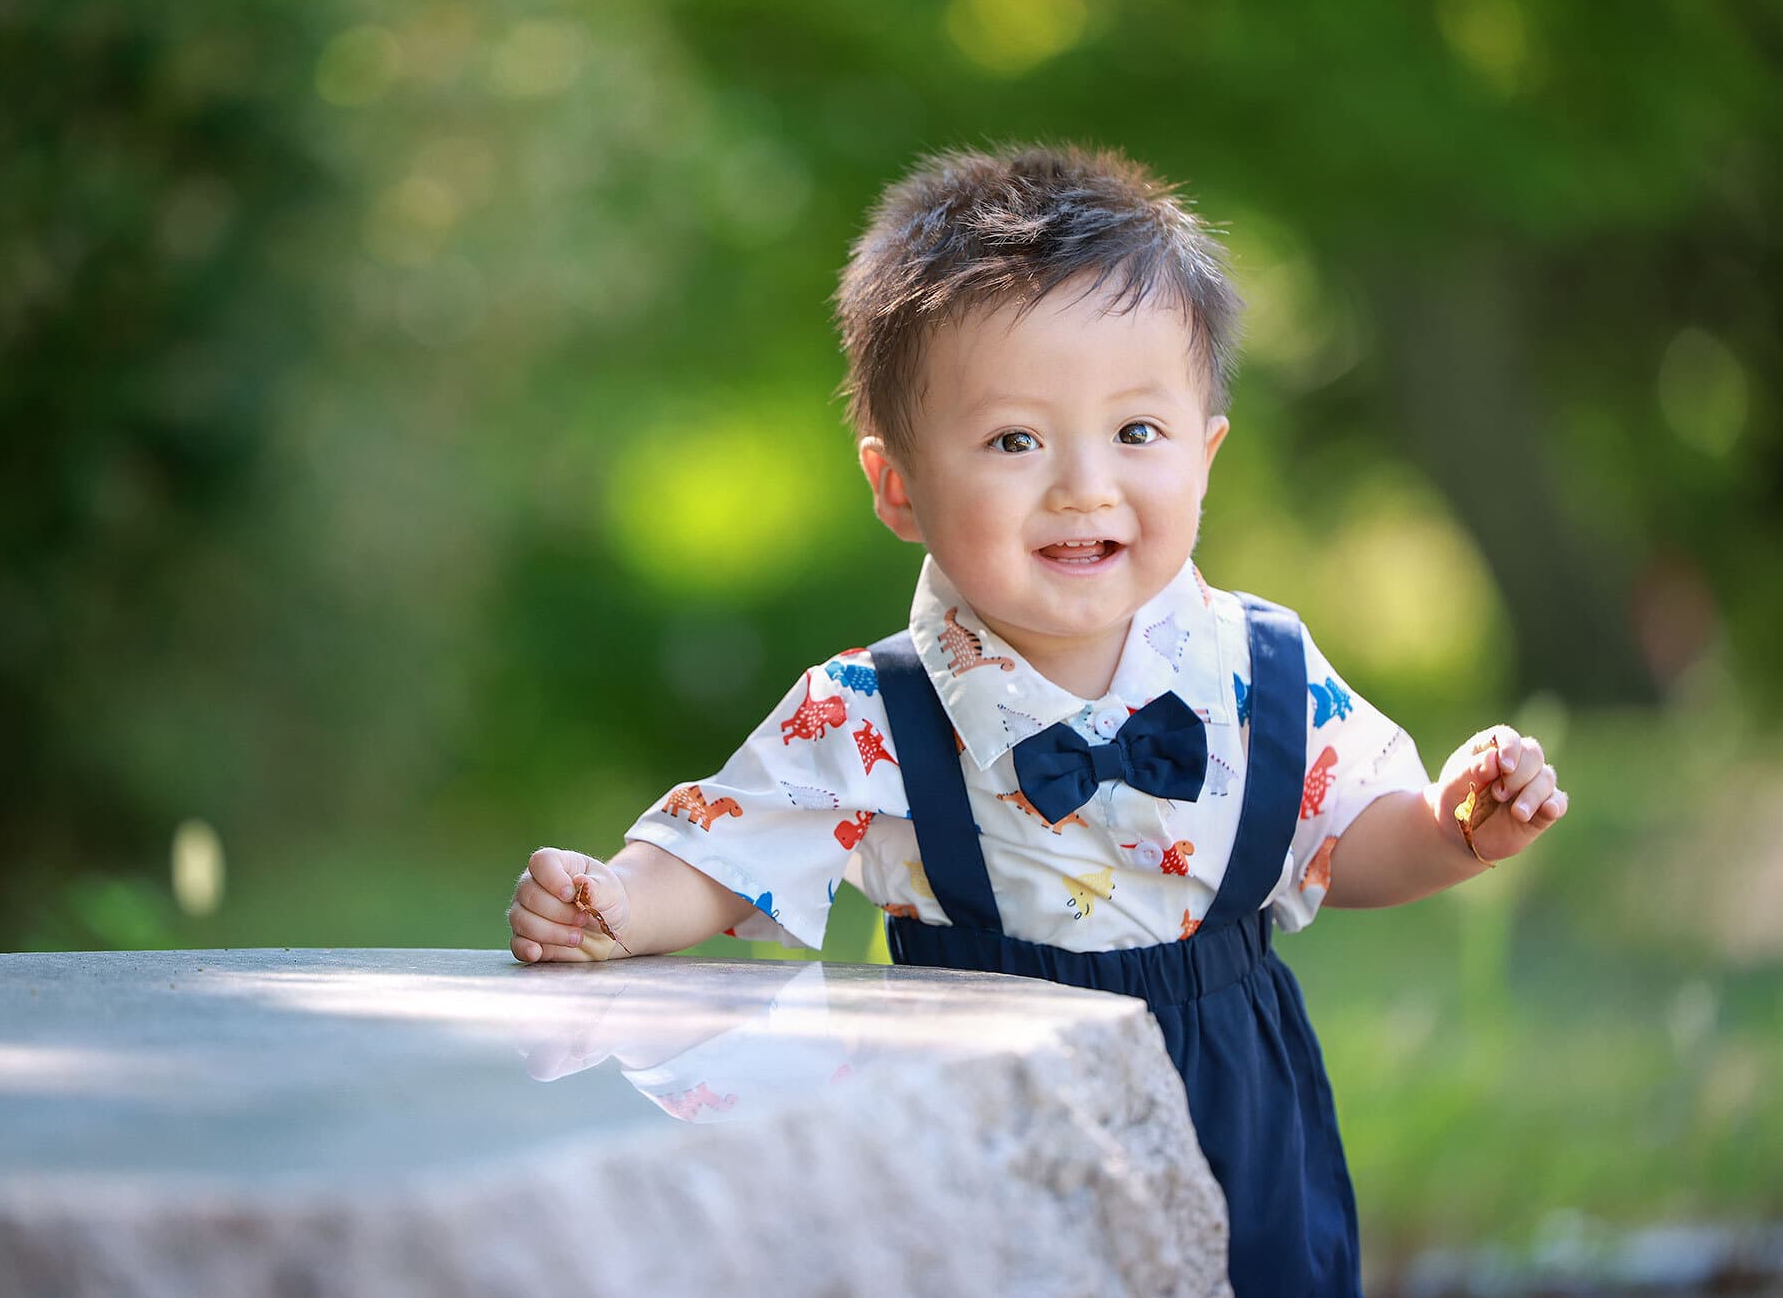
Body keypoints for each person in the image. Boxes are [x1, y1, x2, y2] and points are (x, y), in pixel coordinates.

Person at [504, 142, 1568, 1296]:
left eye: (1135, 433)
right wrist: (615, 901)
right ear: (897, 485)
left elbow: (1343, 837)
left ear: (1203, 457)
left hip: (1234, 1097)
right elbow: (725, 854)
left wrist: (1452, 827)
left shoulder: (1264, 669)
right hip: (973, 1101)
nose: (1081, 485)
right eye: (1014, 440)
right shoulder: (871, 712)